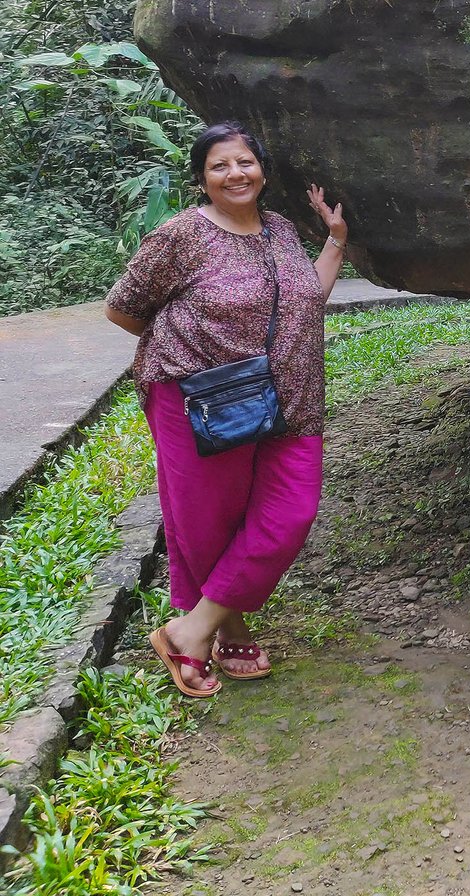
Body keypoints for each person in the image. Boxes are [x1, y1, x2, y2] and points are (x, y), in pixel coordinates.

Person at [106, 122, 347, 696]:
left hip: (291, 396)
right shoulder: (183, 234)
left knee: (290, 513)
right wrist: (193, 344)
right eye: (220, 165)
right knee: (208, 516)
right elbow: (125, 310)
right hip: (203, 395)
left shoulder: (283, 230)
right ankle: (224, 624)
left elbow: (306, 301)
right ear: (202, 178)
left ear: (261, 170)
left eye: (244, 162)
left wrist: (335, 240)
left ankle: (191, 626)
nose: (235, 174)